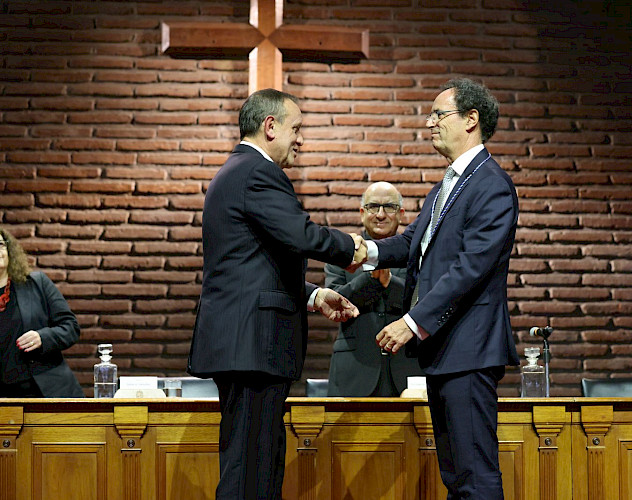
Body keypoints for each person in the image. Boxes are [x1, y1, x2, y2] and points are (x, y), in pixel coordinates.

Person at [187, 88, 367, 500]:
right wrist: (356, 248)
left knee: (258, 464)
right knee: (250, 472)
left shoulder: (237, 172)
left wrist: (314, 295)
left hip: (244, 342)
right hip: (252, 345)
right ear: (270, 126)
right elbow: (300, 234)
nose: (301, 139)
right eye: (296, 128)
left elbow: (250, 266)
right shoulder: (257, 172)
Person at [361, 78, 520, 498]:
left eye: (438, 114)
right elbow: (413, 242)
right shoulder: (448, 185)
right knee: (456, 475)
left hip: (468, 350)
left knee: (474, 475)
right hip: (447, 352)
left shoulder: (492, 185)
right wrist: (361, 251)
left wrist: (411, 322)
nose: (429, 123)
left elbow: (470, 268)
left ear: (471, 120)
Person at [325, 182, 423, 397]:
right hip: (355, 369)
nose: (380, 214)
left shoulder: (419, 253)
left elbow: (424, 303)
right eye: (373, 207)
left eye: (389, 207)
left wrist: (390, 283)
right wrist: (372, 282)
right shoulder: (341, 251)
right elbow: (333, 302)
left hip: (407, 368)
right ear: (362, 213)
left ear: (401, 214)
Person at [0, 228, 85, 398]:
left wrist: (43, 337)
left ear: (9, 251)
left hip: (44, 391)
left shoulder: (37, 283)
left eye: (0, 244)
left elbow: (71, 327)